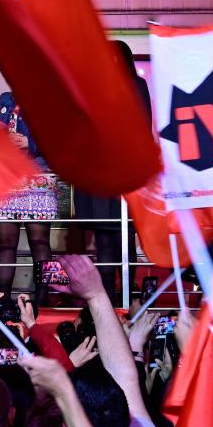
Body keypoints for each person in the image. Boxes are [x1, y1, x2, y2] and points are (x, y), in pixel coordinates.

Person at [73, 40, 150, 303]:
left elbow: (142, 128)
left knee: (124, 236)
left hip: (123, 176)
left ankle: (126, 294)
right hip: (96, 174)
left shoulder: (136, 86)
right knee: (103, 237)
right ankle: (108, 297)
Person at [0, 91, 58, 299]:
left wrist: (30, 143)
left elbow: (60, 140)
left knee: (41, 242)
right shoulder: (5, 98)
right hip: (7, 175)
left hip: (39, 175)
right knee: (5, 242)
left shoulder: (49, 100)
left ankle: (45, 298)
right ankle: (1, 300)